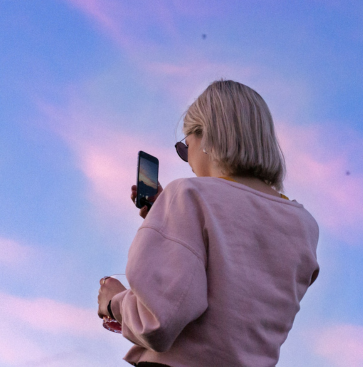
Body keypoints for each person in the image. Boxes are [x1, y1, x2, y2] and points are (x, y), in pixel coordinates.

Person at [98, 80, 320, 367]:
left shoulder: (189, 196)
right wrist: (171, 215)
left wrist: (113, 303)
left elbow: (158, 321)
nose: (187, 161)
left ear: (207, 138)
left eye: (185, 147)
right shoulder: (303, 225)